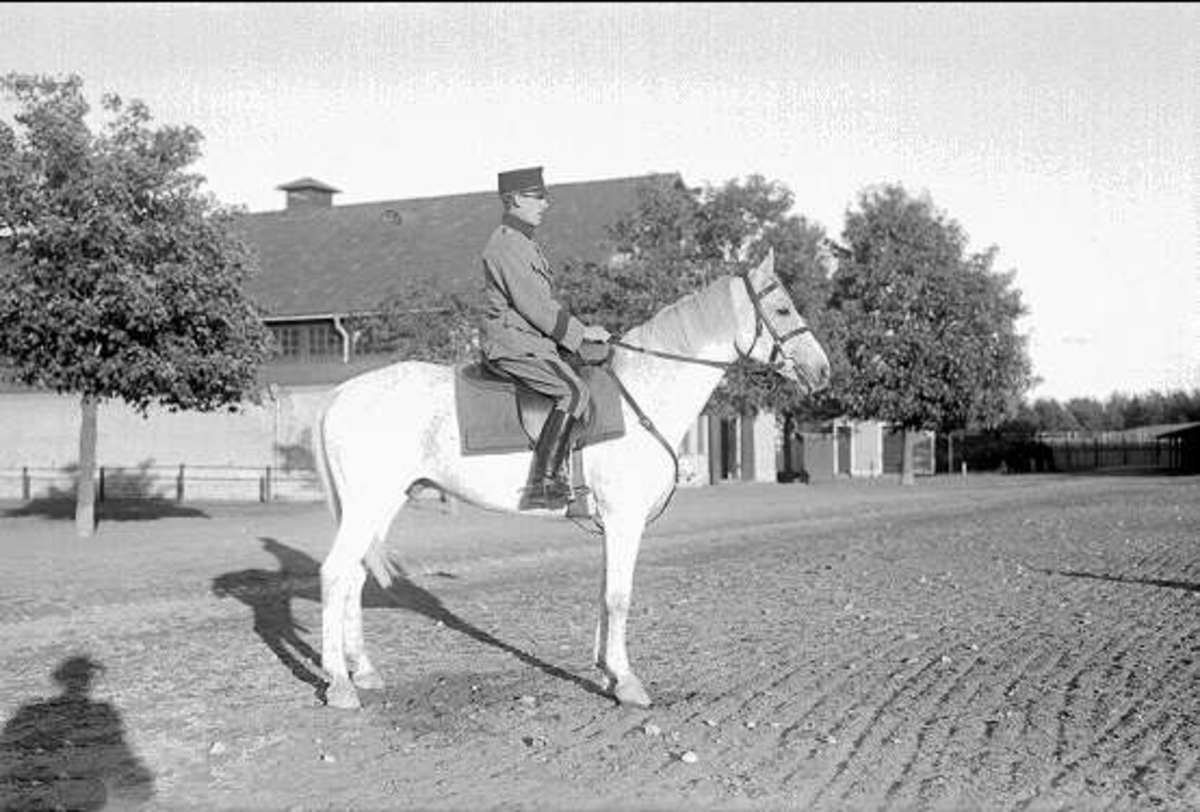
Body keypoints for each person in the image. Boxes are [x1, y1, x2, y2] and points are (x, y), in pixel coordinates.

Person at [478, 166, 610, 510]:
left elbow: (542, 306)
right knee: (574, 391)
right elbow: (535, 306)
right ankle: (544, 481)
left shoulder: (524, 243)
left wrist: (584, 337)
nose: (545, 205)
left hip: (531, 343)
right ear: (516, 199)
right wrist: (582, 334)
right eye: (538, 197)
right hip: (512, 345)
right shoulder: (507, 245)